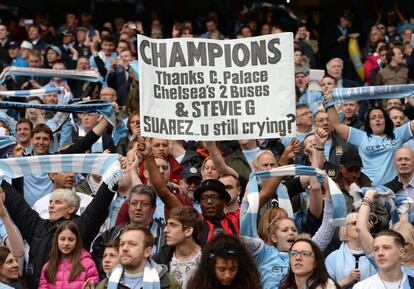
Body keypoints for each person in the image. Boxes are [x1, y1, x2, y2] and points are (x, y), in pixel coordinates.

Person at [326, 105, 414, 185]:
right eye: (373, 118)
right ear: (369, 123)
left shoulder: (398, 133)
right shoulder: (361, 136)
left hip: (394, 188)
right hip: (368, 189)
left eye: (380, 117)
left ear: (386, 120)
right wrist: (329, 102)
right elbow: (337, 124)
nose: (377, 119)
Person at [95, 224, 180, 289]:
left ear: (147, 252)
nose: (124, 248)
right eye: (122, 244)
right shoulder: (104, 285)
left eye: (132, 244)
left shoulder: (168, 283)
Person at [186, 233, 261, 289]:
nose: (227, 275)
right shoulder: (198, 285)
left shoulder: (249, 284)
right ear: (211, 267)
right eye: (222, 269)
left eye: (233, 269)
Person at [38, 221, 99, 289]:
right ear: (56, 240)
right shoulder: (47, 266)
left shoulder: (88, 264)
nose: (66, 243)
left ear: (77, 241)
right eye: (62, 239)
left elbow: (94, 285)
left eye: (71, 239)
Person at [153, 206, 202, 289]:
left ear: (188, 231)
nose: (165, 230)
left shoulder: (209, 258)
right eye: (167, 224)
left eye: (172, 225)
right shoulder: (160, 260)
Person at [325, 213, 377, 289]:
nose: (359, 226)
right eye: (355, 223)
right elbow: (325, 287)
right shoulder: (333, 257)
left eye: (362, 223)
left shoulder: (377, 254)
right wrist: (346, 281)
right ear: (345, 228)